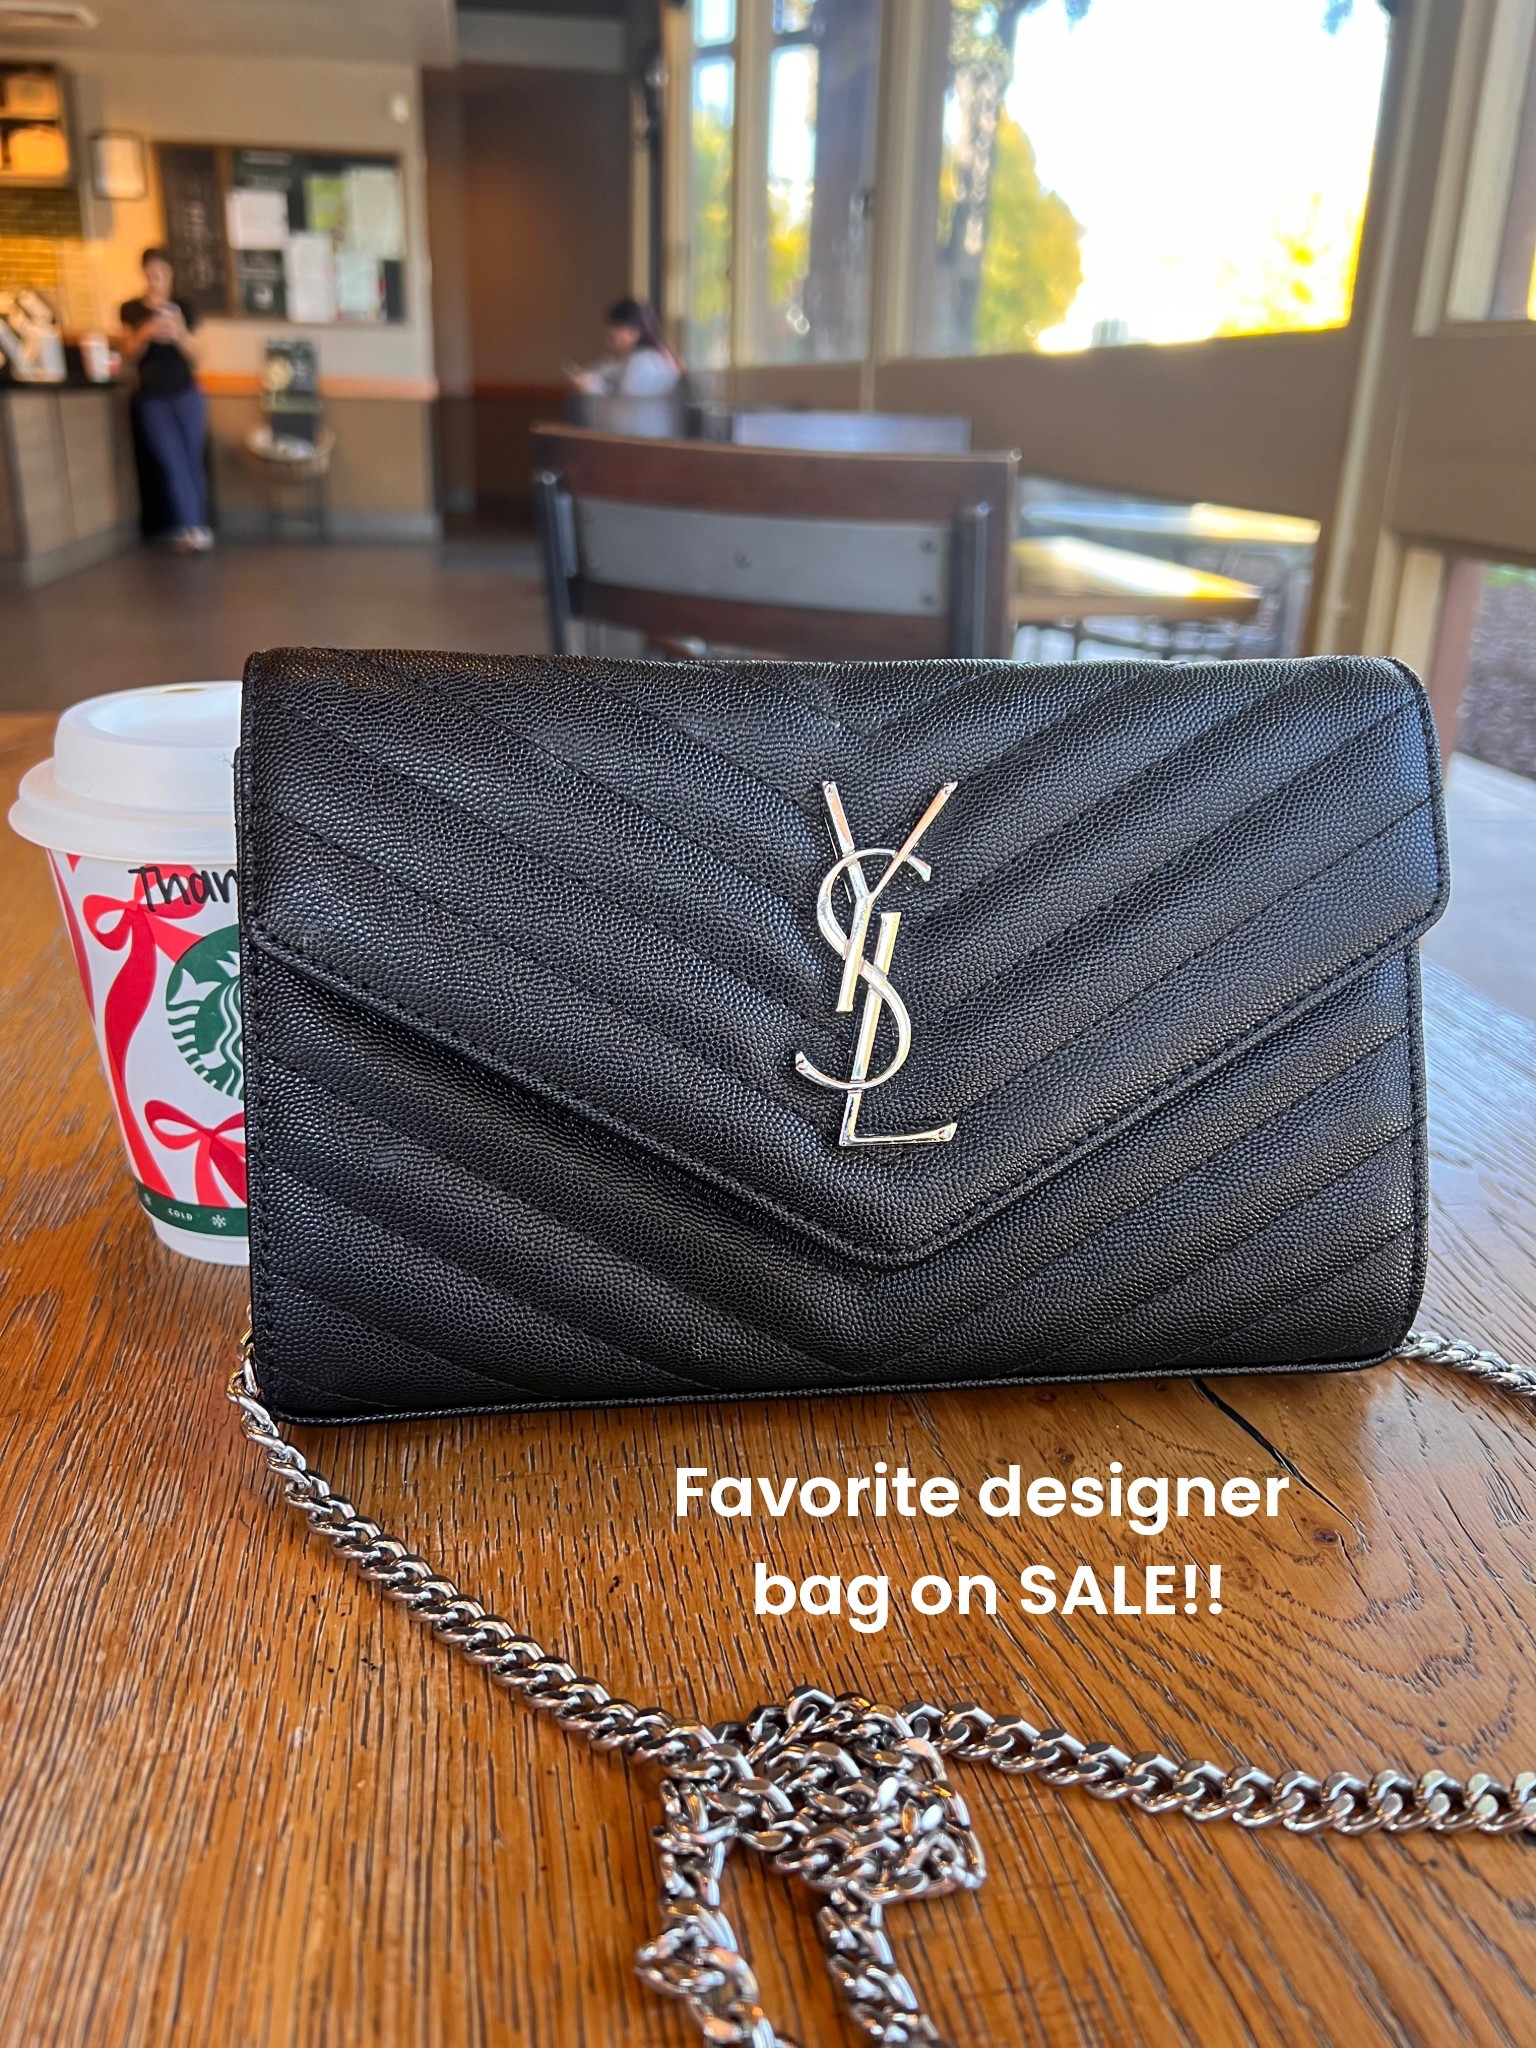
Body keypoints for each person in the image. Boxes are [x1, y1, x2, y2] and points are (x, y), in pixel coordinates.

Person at [120, 248, 212, 554]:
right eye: (151, 272)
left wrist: (179, 332)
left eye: (161, 271)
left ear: (170, 273)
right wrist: (146, 331)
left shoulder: (184, 305)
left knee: (192, 461)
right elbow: (128, 354)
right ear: (144, 273)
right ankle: (190, 527)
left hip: (187, 392)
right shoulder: (131, 309)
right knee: (171, 462)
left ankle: (196, 526)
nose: (156, 277)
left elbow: (198, 356)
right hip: (152, 398)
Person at [565, 297, 682, 399]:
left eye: (617, 328)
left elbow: (626, 407)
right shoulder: (628, 360)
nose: (611, 333)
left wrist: (592, 387)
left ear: (635, 332)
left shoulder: (643, 361)